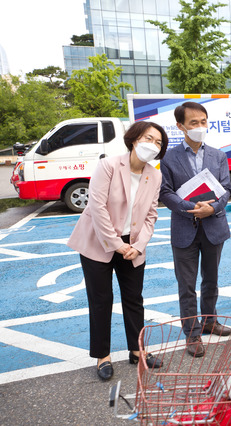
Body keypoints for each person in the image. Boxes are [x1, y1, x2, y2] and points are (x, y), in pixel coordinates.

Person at [67, 121, 169, 381]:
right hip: (98, 241)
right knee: (101, 300)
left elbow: (151, 216)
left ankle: (137, 351)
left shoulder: (155, 175)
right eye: (149, 138)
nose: (153, 145)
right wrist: (117, 244)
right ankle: (103, 356)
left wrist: (137, 245)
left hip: (132, 245)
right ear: (135, 140)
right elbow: (97, 208)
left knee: (134, 298)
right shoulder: (109, 165)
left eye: (158, 143)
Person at [159, 101, 231, 358]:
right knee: (186, 285)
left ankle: (210, 321)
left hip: (214, 225)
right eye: (194, 123)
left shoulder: (218, 155)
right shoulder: (168, 157)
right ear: (181, 126)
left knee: (211, 280)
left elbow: (226, 188)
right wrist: (192, 208)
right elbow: (165, 192)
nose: (200, 127)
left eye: (203, 122)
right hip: (184, 227)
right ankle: (192, 333)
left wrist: (211, 209)